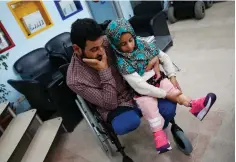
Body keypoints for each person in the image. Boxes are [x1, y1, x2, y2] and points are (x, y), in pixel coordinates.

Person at [67, 18, 181, 154]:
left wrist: (154, 57)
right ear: (76, 49)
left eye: (102, 45)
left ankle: (160, 126)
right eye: (94, 49)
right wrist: (104, 71)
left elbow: (137, 43)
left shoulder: (108, 41)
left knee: (169, 108)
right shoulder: (75, 79)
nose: (102, 51)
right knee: (127, 124)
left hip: (136, 87)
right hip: (117, 104)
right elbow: (110, 104)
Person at [105, 19, 217, 153]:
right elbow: (140, 86)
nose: (129, 46)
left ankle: (195, 106)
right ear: (115, 45)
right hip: (143, 92)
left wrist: (172, 76)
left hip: (158, 79)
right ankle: (159, 136)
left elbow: (164, 57)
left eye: (130, 40)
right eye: (123, 44)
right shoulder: (122, 62)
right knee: (150, 108)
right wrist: (164, 94)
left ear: (133, 36)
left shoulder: (143, 44)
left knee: (172, 89)